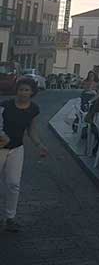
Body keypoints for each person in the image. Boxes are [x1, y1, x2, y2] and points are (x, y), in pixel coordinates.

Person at [0, 78, 48, 232]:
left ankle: (10, 218)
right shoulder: (5, 106)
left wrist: (39, 145)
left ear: (32, 92)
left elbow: (31, 129)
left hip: (17, 149)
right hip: (0, 148)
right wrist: (2, 136)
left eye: (27, 90)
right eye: (21, 89)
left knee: (14, 184)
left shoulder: (33, 109)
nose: (23, 93)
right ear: (17, 90)